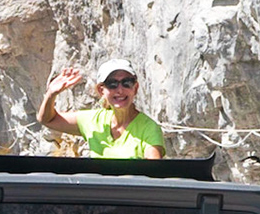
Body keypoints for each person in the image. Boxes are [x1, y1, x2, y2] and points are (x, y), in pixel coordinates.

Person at [38, 58, 167, 158]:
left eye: (126, 83)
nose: (120, 90)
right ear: (101, 90)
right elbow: (47, 120)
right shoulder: (93, 120)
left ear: (135, 88)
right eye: (112, 84)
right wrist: (51, 94)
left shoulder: (149, 128)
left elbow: (153, 172)